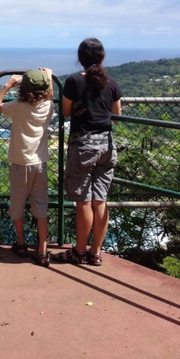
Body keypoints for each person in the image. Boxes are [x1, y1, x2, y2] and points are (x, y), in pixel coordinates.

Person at [53, 38, 122, 266]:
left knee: (83, 201)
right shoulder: (111, 83)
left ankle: (79, 251)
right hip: (107, 145)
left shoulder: (73, 81)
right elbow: (117, 112)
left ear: (80, 58)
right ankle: (96, 252)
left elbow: (65, 112)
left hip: (83, 145)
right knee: (100, 200)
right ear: (102, 57)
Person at [0, 68, 55, 267]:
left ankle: (21, 243)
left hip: (20, 163)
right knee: (41, 206)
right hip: (40, 164)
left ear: (23, 88)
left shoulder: (17, 106)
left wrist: (7, 85)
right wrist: (49, 79)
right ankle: (43, 249)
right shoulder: (48, 106)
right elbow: (50, 95)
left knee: (17, 204)